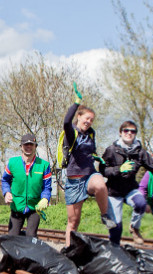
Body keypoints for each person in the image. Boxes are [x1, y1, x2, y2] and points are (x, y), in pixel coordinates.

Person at [100, 121, 153, 245]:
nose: (129, 133)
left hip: (130, 188)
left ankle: (134, 227)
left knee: (141, 203)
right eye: (126, 130)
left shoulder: (140, 152)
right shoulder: (111, 150)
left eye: (133, 131)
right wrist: (119, 169)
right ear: (120, 133)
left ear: (135, 134)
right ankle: (114, 252)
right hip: (113, 191)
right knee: (116, 228)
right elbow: (102, 170)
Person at [62, 83, 112, 247]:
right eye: (87, 118)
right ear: (79, 117)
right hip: (74, 180)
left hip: (90, 174)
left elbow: (92, 150)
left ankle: (105, 215)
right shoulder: (72, 131)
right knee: (73, 221)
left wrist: (98, 158)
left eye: (92, 119)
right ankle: (69, 250)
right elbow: (66, 121)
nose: (89, 121)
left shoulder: (91, 133)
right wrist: (76, 102)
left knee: (100, 185)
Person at [1, 133, 52, 238]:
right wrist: (6, 192)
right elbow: (5, 180)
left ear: (35, 146)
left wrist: (45, 199)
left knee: (31, 236)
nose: (28, 147)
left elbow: (47, 187)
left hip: (34, 207)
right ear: (21, 147)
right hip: (17, 206)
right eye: (25, 145)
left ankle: (29, 254)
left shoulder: (44, 165)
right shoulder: (12, 163)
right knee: (12, 238)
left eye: (31, 144)